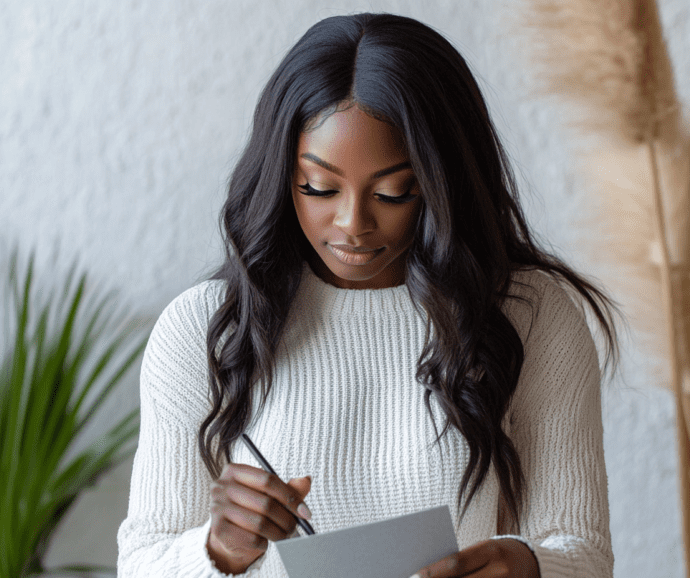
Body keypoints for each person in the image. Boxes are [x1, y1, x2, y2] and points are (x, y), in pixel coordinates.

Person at [117, 12, 621, 578]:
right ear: (282, 174)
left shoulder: (528, 315)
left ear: (442, 182)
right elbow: (142, 563)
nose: (353, 224)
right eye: (319, 188)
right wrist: (220, 551)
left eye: (394, 192)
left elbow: (583, 552)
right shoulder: (206, 329)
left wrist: (525, 565)